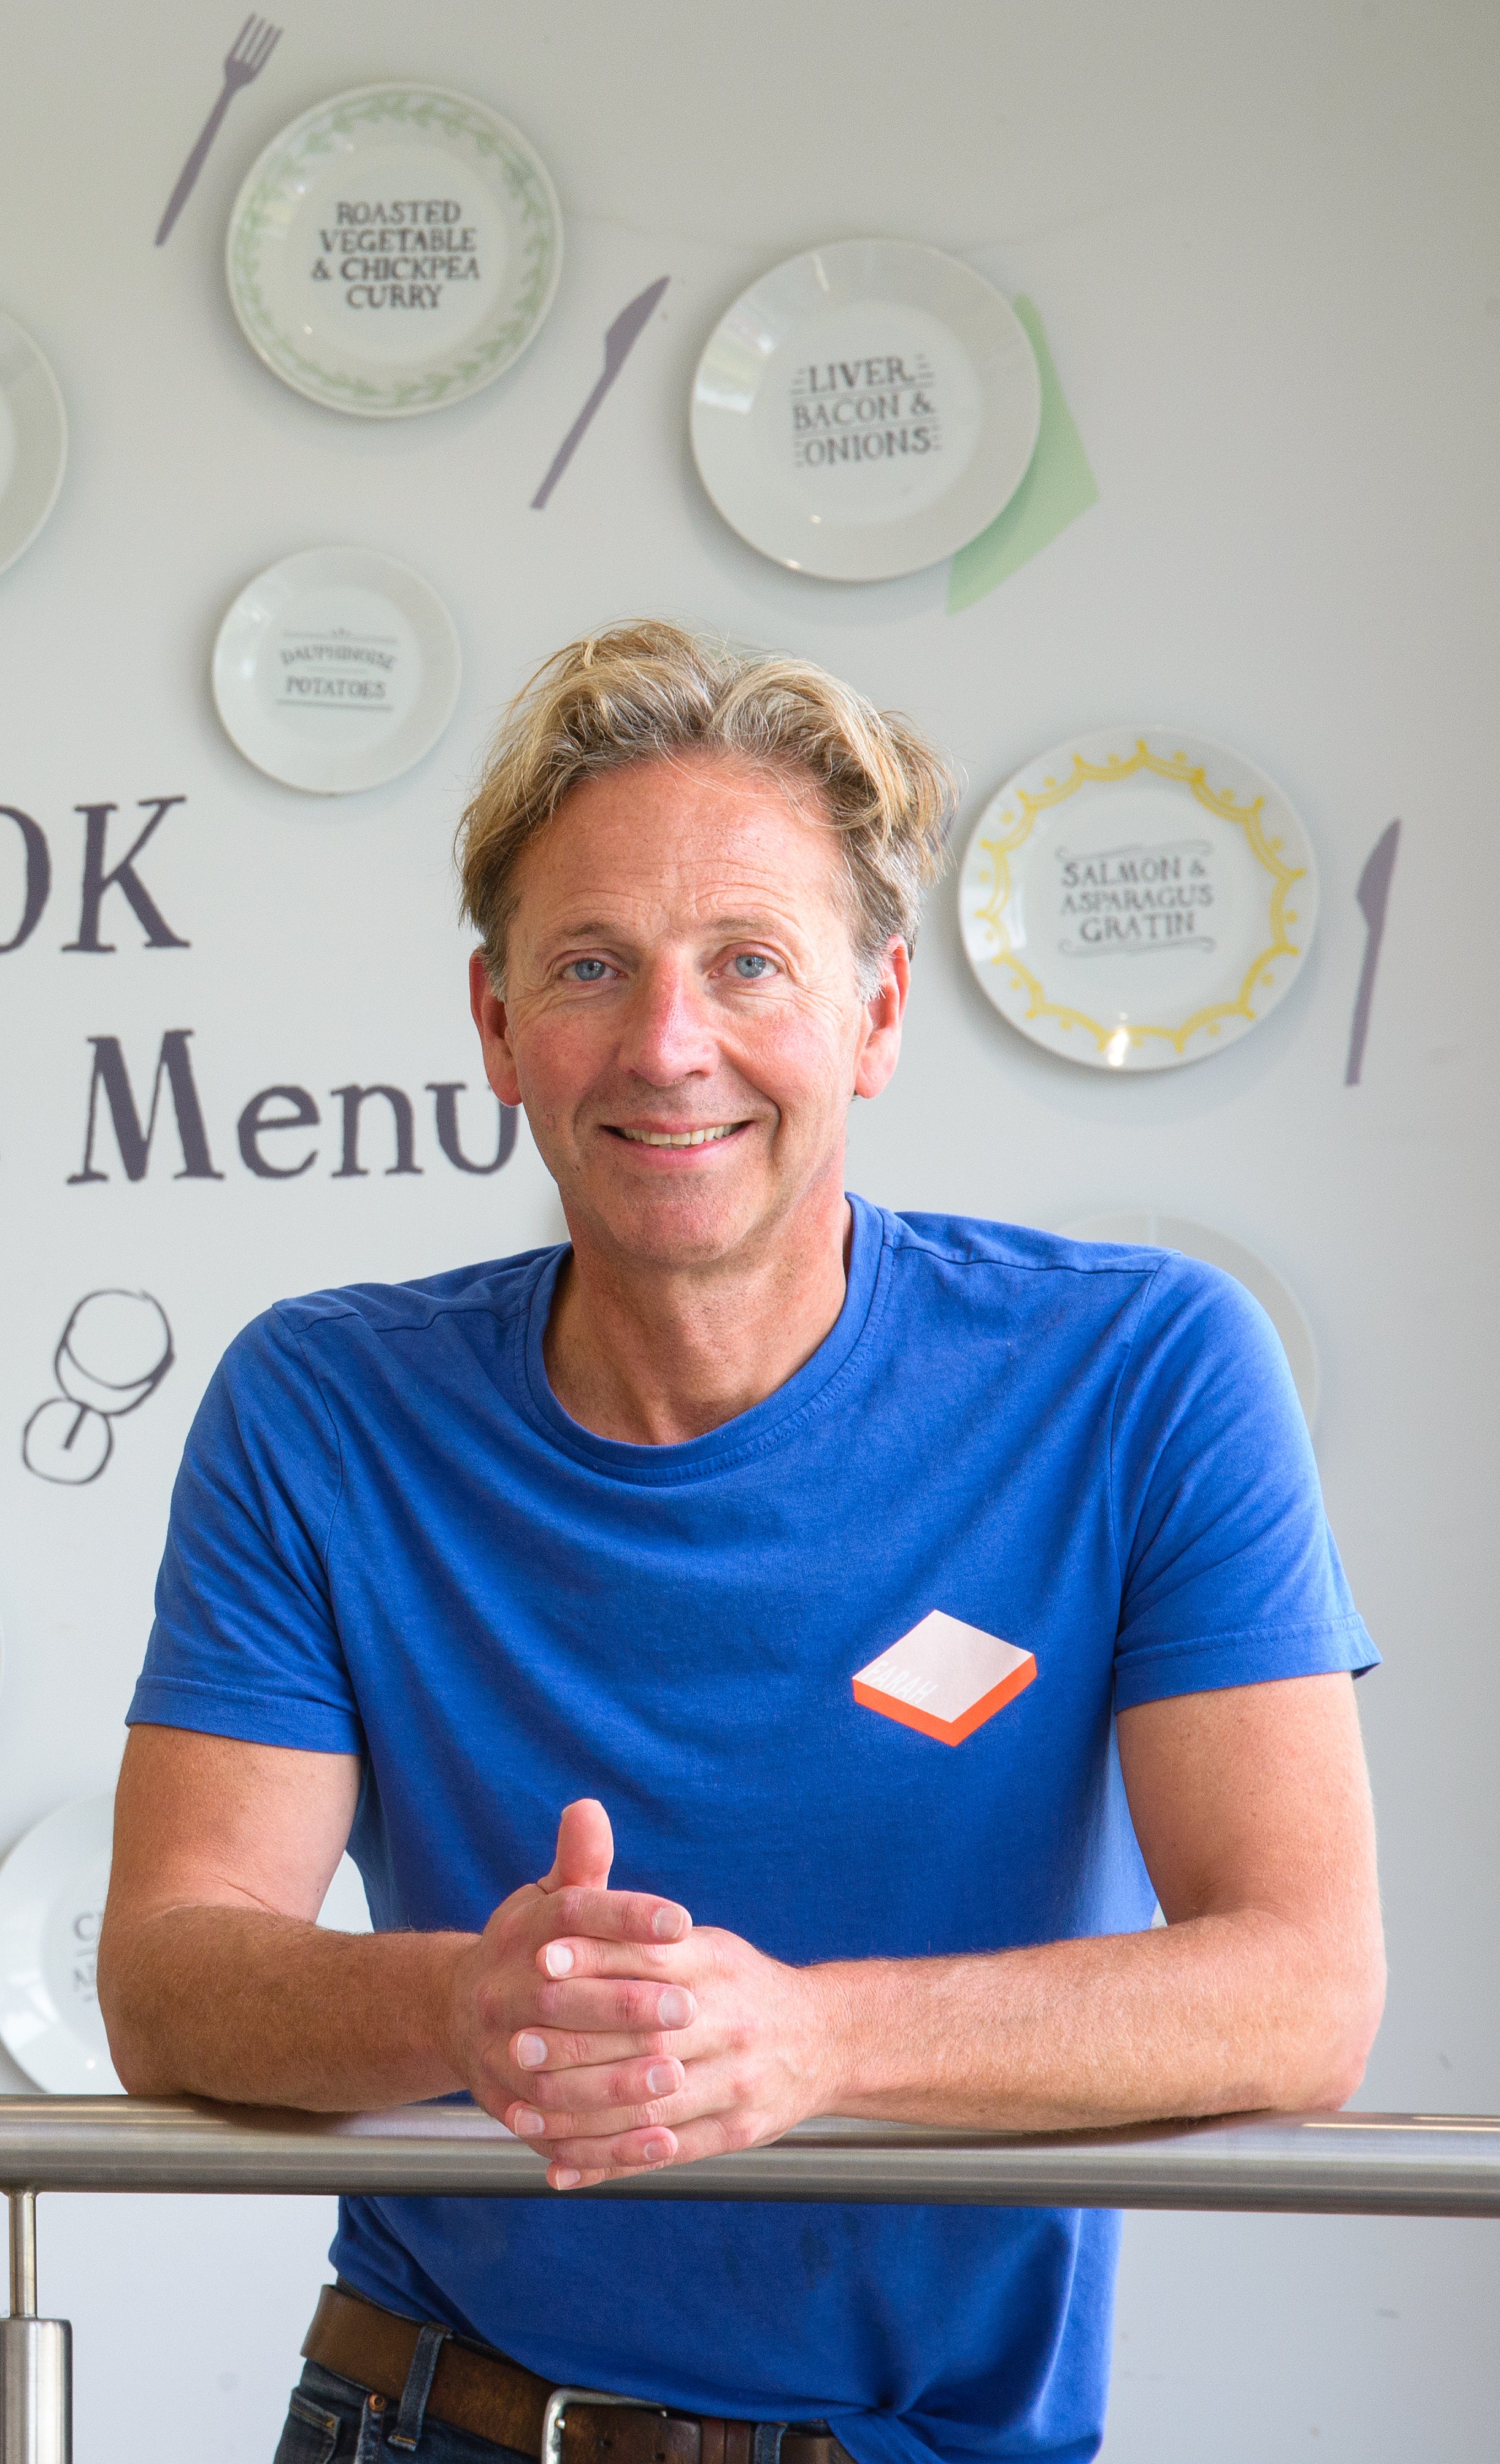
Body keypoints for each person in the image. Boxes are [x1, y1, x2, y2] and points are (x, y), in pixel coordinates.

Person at [98, 622, 1381, 2464]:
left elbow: (1301, 1990)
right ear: (496, 1029)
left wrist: (810, 2043)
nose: (666, 1044)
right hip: (428, 2422)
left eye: (749, 964)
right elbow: (169, 1978)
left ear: (872, 1017)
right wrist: (474, 2002)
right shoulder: (322, 1408)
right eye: (592, 967)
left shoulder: (1144, 1374)